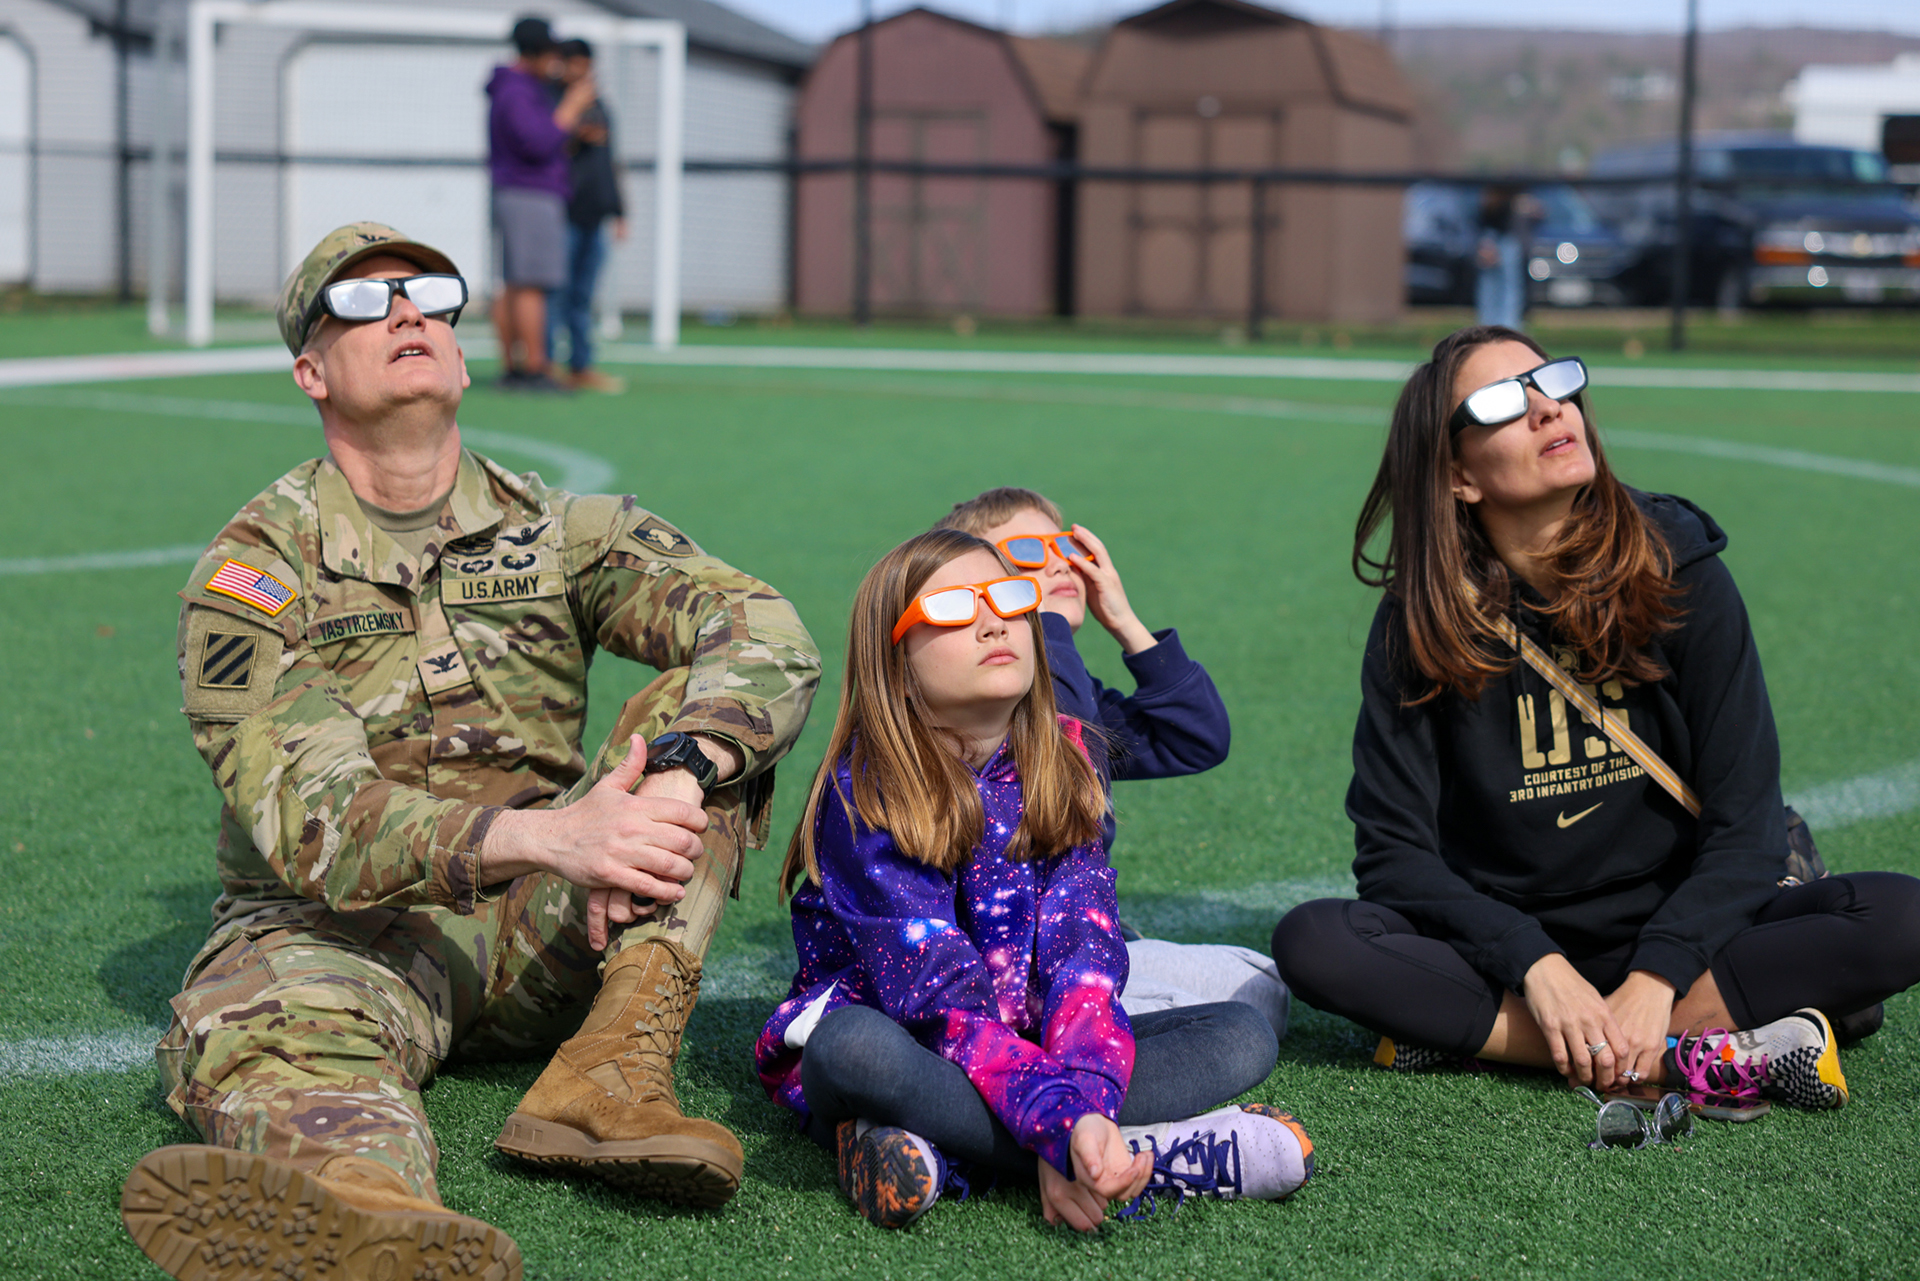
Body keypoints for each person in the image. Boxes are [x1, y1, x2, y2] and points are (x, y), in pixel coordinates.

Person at [117, 222, 820, 1281]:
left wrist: (678, 773)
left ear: (457, 341)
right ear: (310, 368)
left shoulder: (565, 528)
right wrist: (558, 835)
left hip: (549, 930)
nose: (405, 311)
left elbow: (763, 629)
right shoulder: (254, 573)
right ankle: (369, 1217)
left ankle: (607, 1076)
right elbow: (322, 824)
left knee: (705, 720)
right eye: (360, 301)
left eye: (428, 293)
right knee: (277, 1025)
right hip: (346, 933)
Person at [1271, 324, 1920, 1108]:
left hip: (1690, 927)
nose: (1549, 408)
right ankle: (1702, 1050)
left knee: (1900, 915)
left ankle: (1509, 1039)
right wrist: (1536, 965)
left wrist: (1655, 974)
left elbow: (1745, 828)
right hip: (1513, 949)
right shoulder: (1421, 621)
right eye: (1505, 402)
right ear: (1458, 476)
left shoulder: (1680, 571)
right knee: (1315, 943)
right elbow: (1394, 857)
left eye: (1555, 383)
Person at [754, 529, 1310, 1233]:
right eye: (955, 608)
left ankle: (940, 1148)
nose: (993, 619)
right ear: (896, 668)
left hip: (1028, 1049)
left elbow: (1086, 965)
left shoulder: (1064, 768)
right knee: (852, 1050)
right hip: (916, 1041)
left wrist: (1072, 1106)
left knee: (1241, 1032)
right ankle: (1152, 1155)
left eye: (1008, 598)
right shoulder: (866, 794)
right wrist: (1061, 1119)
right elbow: (939, 1001)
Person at [936, 488, 1289, 1035]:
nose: (1059, 561)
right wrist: (1047, 625)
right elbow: (1065, 770)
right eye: (1028, 551)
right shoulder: (971, 697)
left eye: (1068, 546)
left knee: (1261, 986)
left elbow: (1195, 739)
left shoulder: (1077, 689)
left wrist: (1122, 619)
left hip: (1075, 944)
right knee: (1237, 1018)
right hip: (996, 964)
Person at [487, 16, 597, 392]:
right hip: (529, 193)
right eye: (550, 52)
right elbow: (537, 142)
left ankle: (517, 368)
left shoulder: (515, 88)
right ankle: (534, 369)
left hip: (518, 192)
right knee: (530, 284)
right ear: (534, 52)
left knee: (516, 283)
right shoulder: (518, 91)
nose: (555, 61)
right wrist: (571, 107)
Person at [546, 38, 629, 394]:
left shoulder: (602, 107)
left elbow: (612, 164)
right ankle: (545, 365)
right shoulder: (552, 102)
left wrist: (620, 211)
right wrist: (574, 133)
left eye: (586, 63)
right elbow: (544, 145)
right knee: (556, 294)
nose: (582, 70)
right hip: (563, 214)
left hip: (596, 216)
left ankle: (581, 365)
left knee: (583, 296)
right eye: (575, 63)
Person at [1473, 185, 1527, 330]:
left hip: (1508, 240)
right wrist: (1486, 243)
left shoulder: (1515, 194)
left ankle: (1509, 329)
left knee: (1509, 287)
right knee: (1489, 286)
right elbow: (1478, 219)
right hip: (1489, 238)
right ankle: (1488, 329)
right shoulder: (1481, 193)